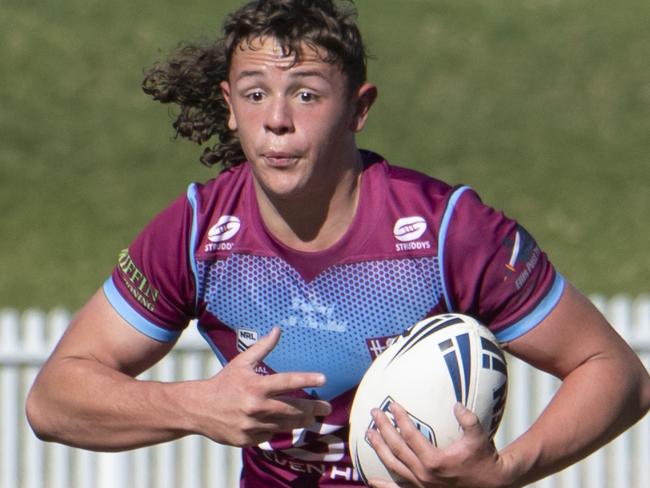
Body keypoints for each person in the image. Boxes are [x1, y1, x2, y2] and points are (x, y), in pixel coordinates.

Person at [26, 0, 650, 487]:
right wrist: (194, 406)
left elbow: (615, 372)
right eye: (254, 93)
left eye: (305, 92)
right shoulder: (196, 232)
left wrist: (505, 472)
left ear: (358, 107)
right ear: (229, 107)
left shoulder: (447, 229)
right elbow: (53, 400)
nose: (277, 118)